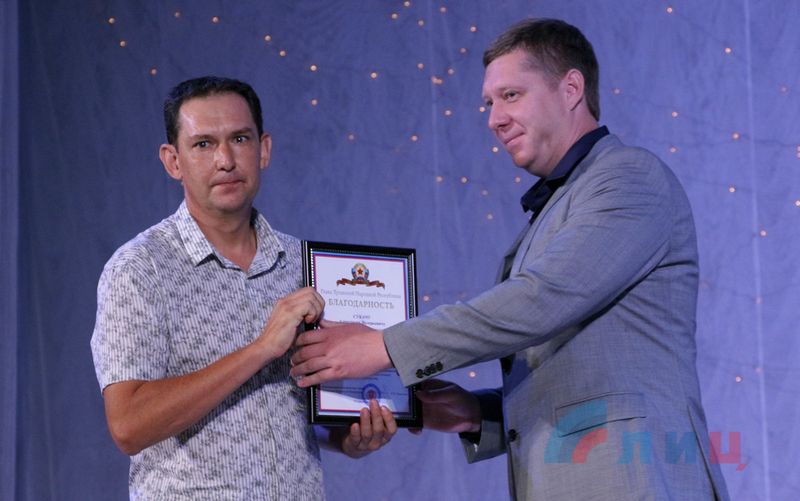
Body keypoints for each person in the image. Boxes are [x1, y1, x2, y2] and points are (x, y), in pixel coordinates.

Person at [290, 19, 730, 500]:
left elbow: (540, 301)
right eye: (489, 103)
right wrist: (474, 413)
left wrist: (384, 347)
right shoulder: (559, 205)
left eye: (511, 95)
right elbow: (580, 373)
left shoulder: (629, 178)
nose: (494, 119)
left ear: (571, 89)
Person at [90, 76, 396, 500]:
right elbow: (128, 426)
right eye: (203, 144)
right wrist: (261, 349)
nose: (226, 160)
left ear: (263, 149)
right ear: (173, 161)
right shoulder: (140, 269)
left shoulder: (304, 265)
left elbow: (301, 410)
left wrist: (349, 438)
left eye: (239, 138)